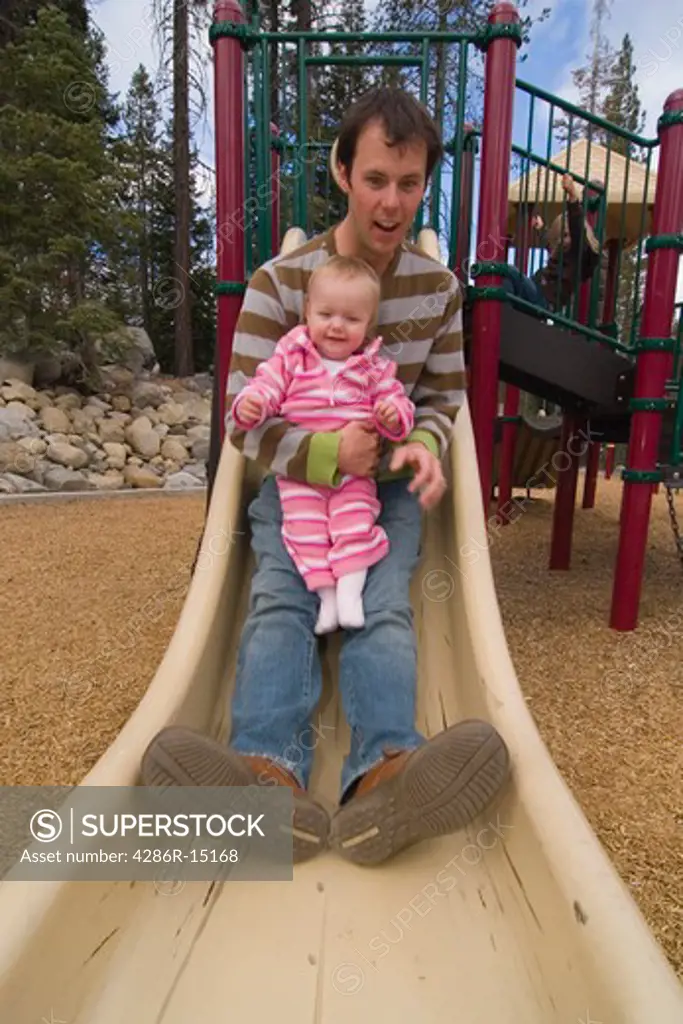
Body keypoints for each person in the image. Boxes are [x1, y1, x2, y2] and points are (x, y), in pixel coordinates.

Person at [141, 86, 510, 866]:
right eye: (376, 179)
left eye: (409, 185)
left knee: (382, 608)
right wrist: (321, 455)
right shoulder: (284, 283)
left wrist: (421, 447)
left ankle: (384, 775)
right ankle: (268, 773)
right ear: (342, 171)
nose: (391, 202)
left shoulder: (436, 291)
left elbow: (443, 399)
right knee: (278, 598)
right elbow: (244, 413)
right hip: (299, 485)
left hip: (379, 487)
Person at [230, 255, 416, 635]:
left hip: (354, 475)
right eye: (326, 314)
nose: (336, 326)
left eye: (351, 319)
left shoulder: (373, 367)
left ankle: (350, 593)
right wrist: (252, 404)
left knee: (354, 522)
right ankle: (326, 596)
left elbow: (397, 401)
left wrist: (393, 415)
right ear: (307, 313)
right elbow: (266, 386)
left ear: (367, 325)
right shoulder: (292, 355)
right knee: (304, 529)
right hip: (300, 472)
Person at [503, 173, 602, 312]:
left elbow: (577, 229)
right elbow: (550, 244)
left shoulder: (579, 254)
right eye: (562, 236)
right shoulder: (564, 253)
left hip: (543, 301)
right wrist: (541, 228)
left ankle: (503, 317)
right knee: (503, 281)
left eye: (567, 235)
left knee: (506, 270)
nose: (563, 239)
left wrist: (573, 197)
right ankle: (500, 312)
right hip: (535, 293)